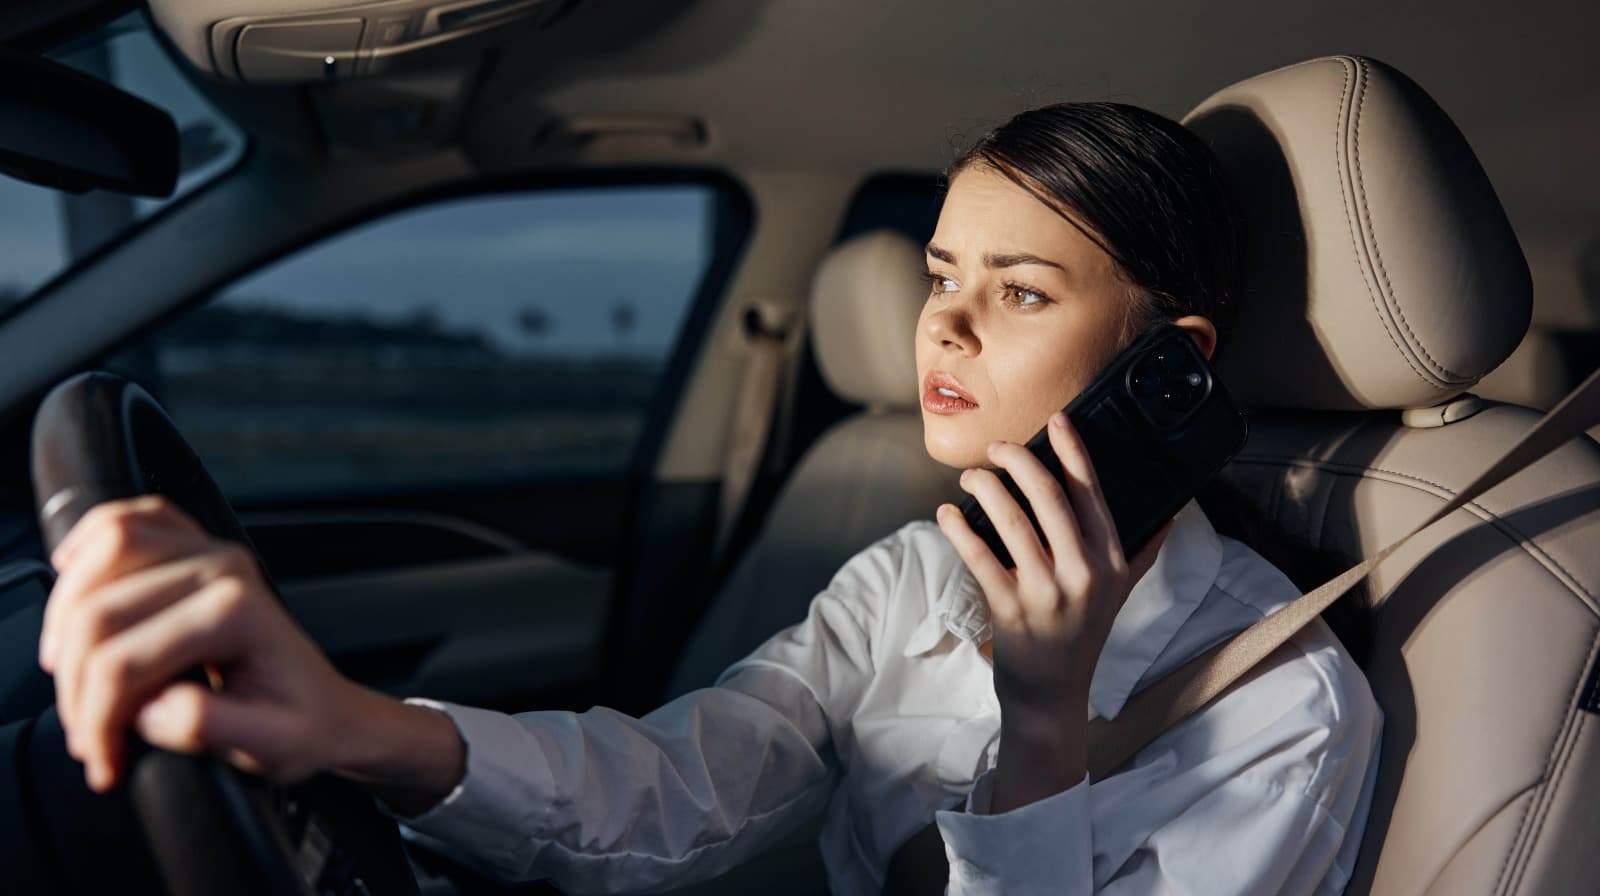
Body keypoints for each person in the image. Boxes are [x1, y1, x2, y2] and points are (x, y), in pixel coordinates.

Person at [39, 102, 1382, 895]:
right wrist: (357, 728)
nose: (946, 329)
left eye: (1019, 291)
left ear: (1170, 365)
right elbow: (678, 785)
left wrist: (1042, 724)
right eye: (940, 274)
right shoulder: (914, 575)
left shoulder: (1289, 707)